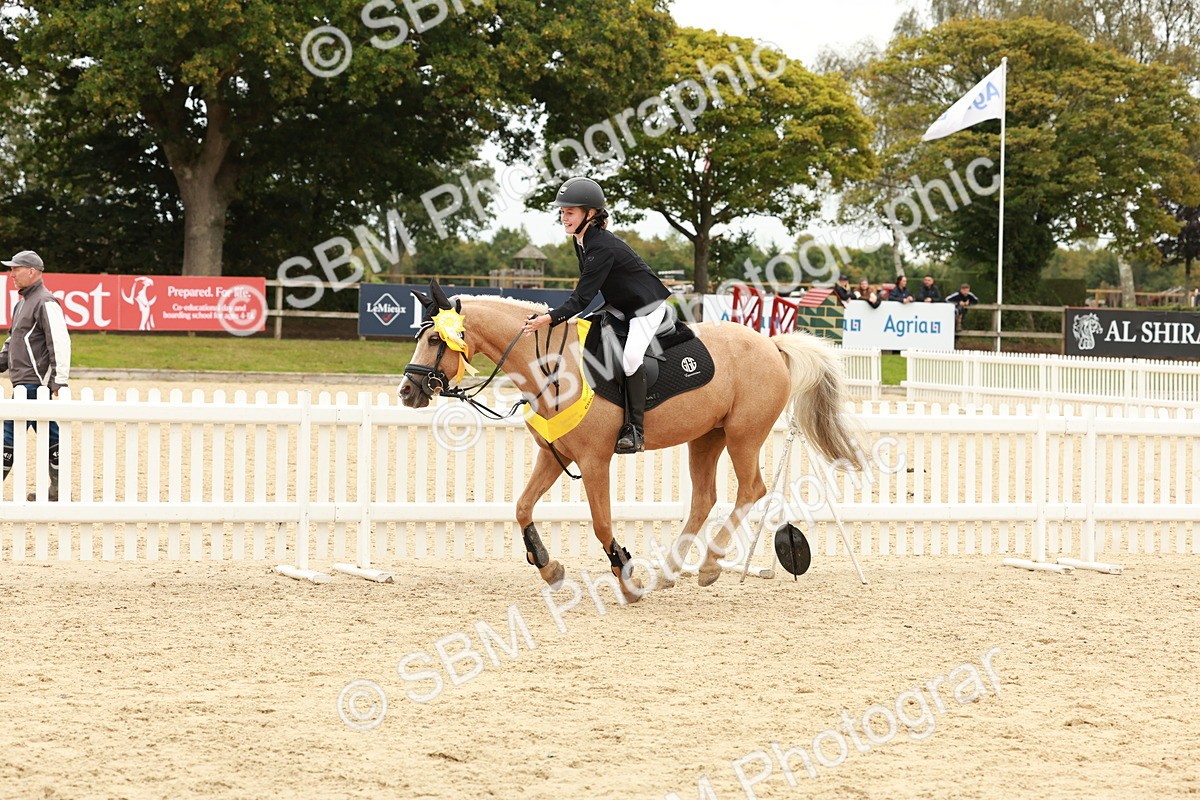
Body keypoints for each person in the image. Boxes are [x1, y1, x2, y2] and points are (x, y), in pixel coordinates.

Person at [523, 177, 670, 455]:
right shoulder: (581, 240)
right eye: (562, 212)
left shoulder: (600, 245)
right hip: (620, 305)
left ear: (589, 214)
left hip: (645, 307)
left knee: (630, 359)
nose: (563, 217)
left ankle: (635, 430)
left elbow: (582, 297)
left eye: (570, 212)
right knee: (584, 336)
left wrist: (551, 318)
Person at [1, 250, 71, 501]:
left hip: (34, 383)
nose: (11, 274)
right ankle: (59, 490)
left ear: (31, 271)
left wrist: (59, 380)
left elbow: (60, 341)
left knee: (9, 432)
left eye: (15, 269)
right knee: (50, 433)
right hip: (23, 383)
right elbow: (12, 341)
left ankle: (59, 490)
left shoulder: (45, 301)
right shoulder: (22, 303)